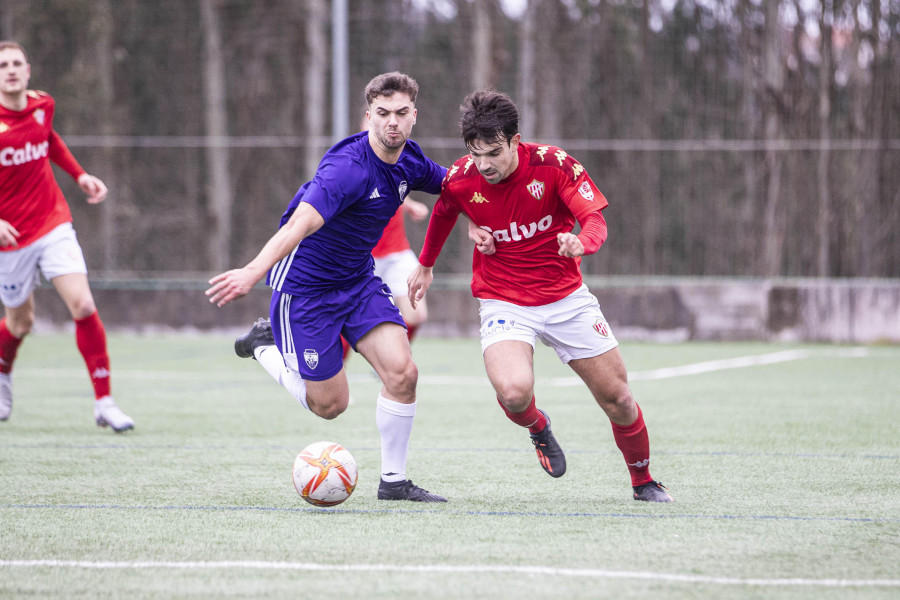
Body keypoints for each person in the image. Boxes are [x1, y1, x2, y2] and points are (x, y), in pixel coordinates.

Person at [407, 90, 673, 502]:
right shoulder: (462, 177)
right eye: (476, 154)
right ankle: (537, 426)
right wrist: (426, 264)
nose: (484, 165)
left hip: (566, 298)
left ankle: (644, 481)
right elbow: (445, 212)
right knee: (513, 393)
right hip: (504, 300)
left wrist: (582, 243)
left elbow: (594, 219)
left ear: (516, 140)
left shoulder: (554, 165)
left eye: (494, 152)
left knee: (619, 398)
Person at [206, 72, 447, 502]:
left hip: (357, 281)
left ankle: (393, 482)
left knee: (403, 373)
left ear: (415, 116)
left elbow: (456, 186)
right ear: (367, 116)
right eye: (382, 113)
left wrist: (488, 214)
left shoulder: (410, 160)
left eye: (401, 113)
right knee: (330, 406)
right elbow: (300, 224)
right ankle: (265, 344)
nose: (392, 122)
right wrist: (252, 271)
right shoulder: (347, 169)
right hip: (307, 291)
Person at [0, 41, 133, 431]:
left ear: (28, 70)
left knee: (83, 306)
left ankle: (104, 402)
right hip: (9, 240)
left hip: (52, 223)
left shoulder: (43, 104)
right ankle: (3, 377)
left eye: (16, 63)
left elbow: (49, 139)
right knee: (20, 323)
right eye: (2, 64)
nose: (10, 69)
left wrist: (80, 175)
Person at [341, 197, 430, 363]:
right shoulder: (349, 175)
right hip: (360, 256)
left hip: (397, 253)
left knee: (416, 313)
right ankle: (335, 369)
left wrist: (409, 205)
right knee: (346, 316)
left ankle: (394, 362)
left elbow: (395, 186)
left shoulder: (392, 171)